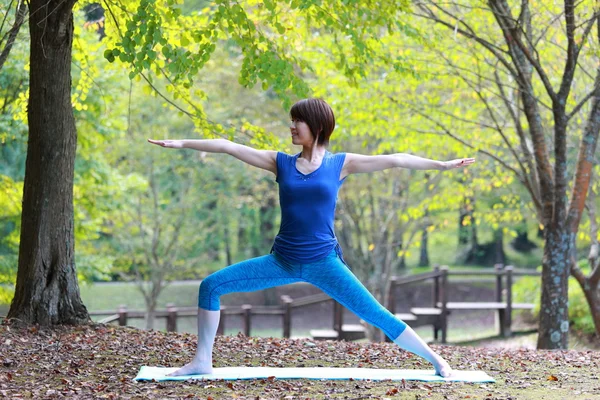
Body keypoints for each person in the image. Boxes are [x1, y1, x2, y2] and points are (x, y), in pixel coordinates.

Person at [148, 98, 475, 378]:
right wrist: (181, 143)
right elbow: (227, 146)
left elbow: (397, 159)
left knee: (377, 314)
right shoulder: (280, 163)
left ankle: (437, 361)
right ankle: (202, 361)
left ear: (316, 125)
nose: (291, 127)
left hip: (324, 263)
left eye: (298, 121)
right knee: (211, 286)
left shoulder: (340, 164)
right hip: (282, 261)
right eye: (291, 121)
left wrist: (441, 165)